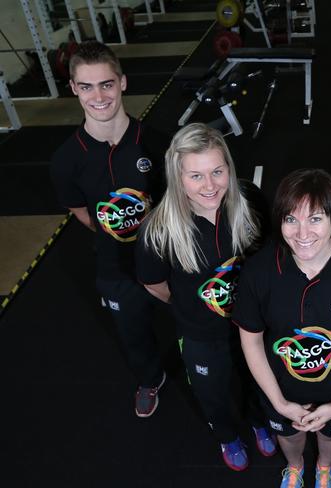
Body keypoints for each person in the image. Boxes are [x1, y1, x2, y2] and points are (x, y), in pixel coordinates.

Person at [232, 169, 331, 488]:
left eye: (315, 219)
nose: (302, 233)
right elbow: (251, 341)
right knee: (288, 436)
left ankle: (323, 467)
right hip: (280, 389)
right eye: (291, 219)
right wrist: (278, 402)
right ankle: (295, 467)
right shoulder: (258, 271)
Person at [136, 123, 277, 471]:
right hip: (201, 335)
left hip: (254, 326)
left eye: (217, 171)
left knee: (259, 383)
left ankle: (259, 421)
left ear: (229, 167)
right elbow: (154, 285)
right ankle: (228, 436)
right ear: (178, 176)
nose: (210, 185)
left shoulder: (251, 204)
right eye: (196, 176)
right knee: (211, 393)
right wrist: (190, 309)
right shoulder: (158, 231)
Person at [50, 41, 169, 418]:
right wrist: (115, 234)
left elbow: (177, 203)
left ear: (123, 83)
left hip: (167, 258)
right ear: (73, 89)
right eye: (86, 86)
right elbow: (80, 211)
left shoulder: (158, 143)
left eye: (107, 84)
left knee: (196, 325)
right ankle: (151, 380)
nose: (98, 96)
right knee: (134, 334)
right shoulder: (66, 160)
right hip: (115, 268)